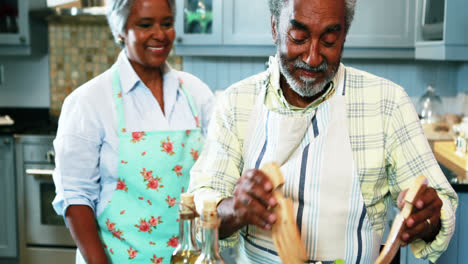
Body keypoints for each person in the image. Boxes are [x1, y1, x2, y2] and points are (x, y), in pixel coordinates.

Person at [189, 0, 458, 263]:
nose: (312, 57)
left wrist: (428, 217)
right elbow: (200, 209)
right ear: (274, 28)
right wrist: (235, 209)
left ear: (344, 36)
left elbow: (440, 204)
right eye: (298, 37)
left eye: (329, 41)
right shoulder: (237, 102)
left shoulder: (388, 102)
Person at [52, 0, 214, 263]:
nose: (160, 34)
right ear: (120, 30)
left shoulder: (196, 94)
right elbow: (76, 197)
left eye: (167, 24)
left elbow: (216, 176)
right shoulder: (89, 101)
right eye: (145, 24)